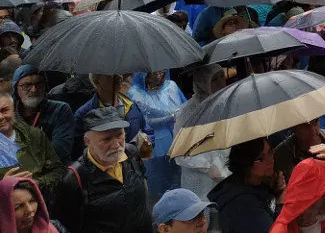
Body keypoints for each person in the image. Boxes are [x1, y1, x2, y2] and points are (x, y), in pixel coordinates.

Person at [54, 107, 152, 233]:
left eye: (119, 135)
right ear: (87, 141)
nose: (116, 144)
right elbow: (68, 226)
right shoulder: (73, 179)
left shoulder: (131, 154)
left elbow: (142, 207)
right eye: (106, 139)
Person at [173, 64, 229, 208]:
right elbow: (180, 152)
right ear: (203, 83)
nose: (221, 83)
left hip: (227, 177)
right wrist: (208, 167)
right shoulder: (187, 113)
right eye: (214, 79)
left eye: (222, 76)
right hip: (199, 182)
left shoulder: (225, 104)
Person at [126, 71, 186, 199]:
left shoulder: (171, 87)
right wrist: (169, 117)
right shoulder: (135, 93)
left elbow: (184, 109)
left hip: (175, 138)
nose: (158, 77)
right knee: (155, 179)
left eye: (160, 73)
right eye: (153, 74)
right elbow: (141, 120)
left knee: (178, 176)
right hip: (148, 141)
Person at [207, 137, 286, 233]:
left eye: (270, 152)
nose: (270, 160)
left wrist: (275, 191)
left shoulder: (249, 184)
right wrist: (281, 203)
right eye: (261, 158)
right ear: (246, 164)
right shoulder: (243, 204)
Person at [0, 94, 64, 202]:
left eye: (5, 110)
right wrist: (4, 186)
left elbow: (58, 170)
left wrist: (37, 183)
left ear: (13, 110)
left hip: (38, 207)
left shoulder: (35, 136)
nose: (0, 117)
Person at [72, 73, 152, 159]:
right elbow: (79, 151)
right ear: (97, 82)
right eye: (110, 75)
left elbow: (146, 129)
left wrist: (146, 142)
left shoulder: (131, 105)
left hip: (133, 168)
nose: (119, 77)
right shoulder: (84, 113)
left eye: (119, 73)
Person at [12, 65, 74, 164]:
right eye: (26, 85)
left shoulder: (60, 110)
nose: (34, 90)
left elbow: (61, 148)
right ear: (16, 89)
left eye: (39, 84)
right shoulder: (7, 113)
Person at [273, 117, 325, 186]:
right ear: (293, 129)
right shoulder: (282, 155)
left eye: (315, 122)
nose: (313, 131)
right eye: (306, 126)